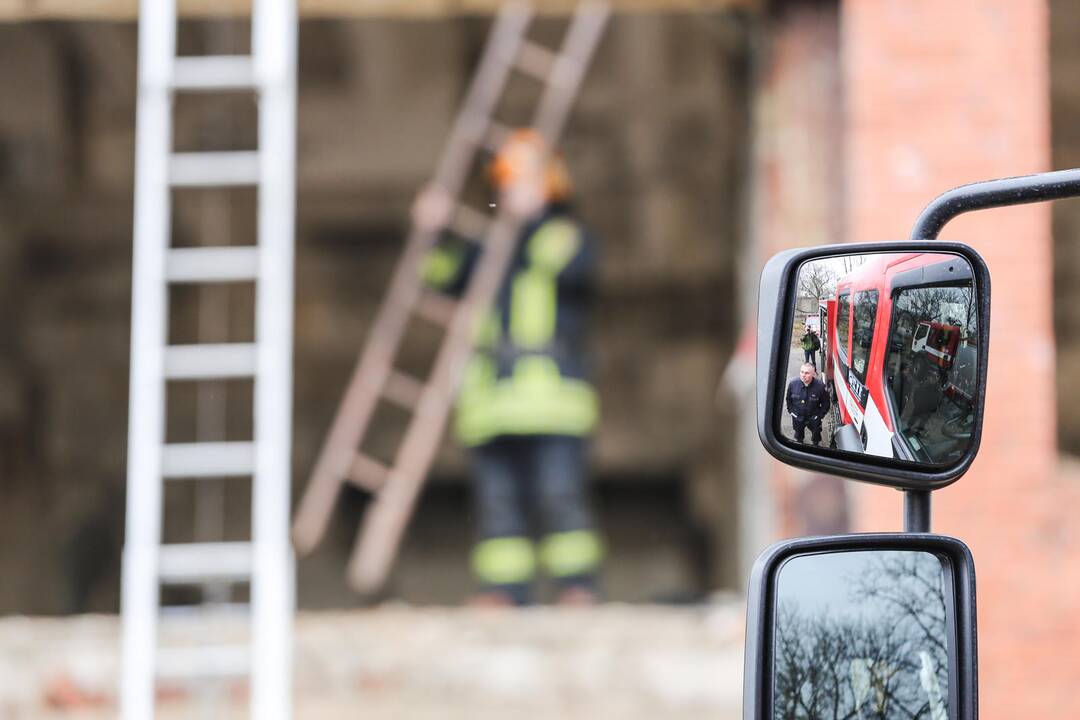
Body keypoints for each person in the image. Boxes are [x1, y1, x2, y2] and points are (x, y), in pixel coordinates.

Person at [413, 129, 603, 607]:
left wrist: (520, 223)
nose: (511, 192)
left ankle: (577, 588)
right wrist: (432, 229)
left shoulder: (566, 236)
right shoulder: (485, 246)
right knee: (498, 506)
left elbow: (559, 264)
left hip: (553, 399)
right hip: (492, 400)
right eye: (507, 183)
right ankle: (503, 593)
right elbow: (439, 276)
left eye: (523, 182)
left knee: (561, 497)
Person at [786, 362, 830, 446]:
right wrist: (791, 412)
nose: (803, 375)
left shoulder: (820, 386)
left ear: (813, 374)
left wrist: (819, 416)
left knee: (816, 435)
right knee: (798, 434)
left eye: (807, 373)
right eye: (802, 372)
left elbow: (826, 404)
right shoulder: (793, 384)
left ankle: (815, 445)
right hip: (798, 417)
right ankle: (800, 443)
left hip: (813, 418)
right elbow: (788, 400)